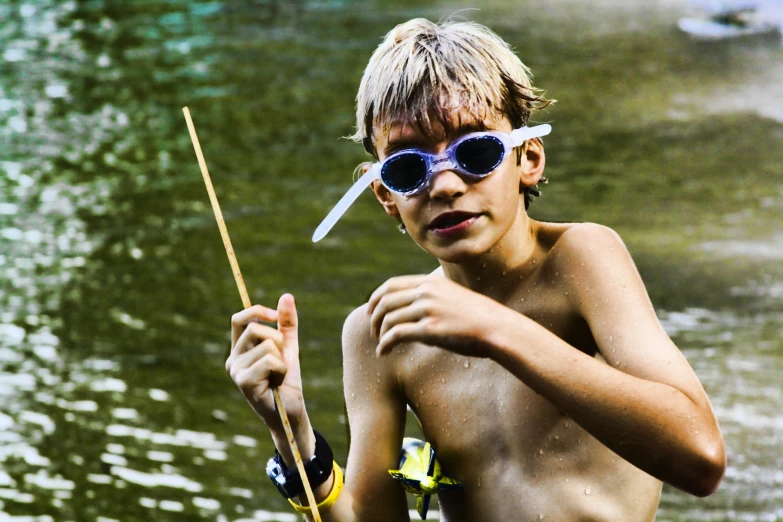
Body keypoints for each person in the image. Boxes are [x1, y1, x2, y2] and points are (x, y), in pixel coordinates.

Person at [225, 18, 726, 522]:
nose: (444, 186)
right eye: (407, 167)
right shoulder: (380, 333)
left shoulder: (580, 259)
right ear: (384, 193)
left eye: (476, 152)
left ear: (526, 158)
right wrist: (294, 437)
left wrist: (492, 328)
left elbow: (701, 461)